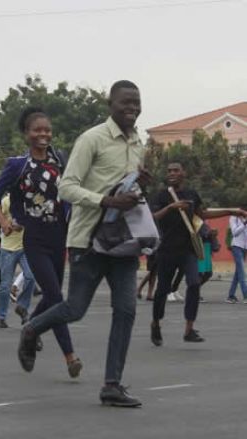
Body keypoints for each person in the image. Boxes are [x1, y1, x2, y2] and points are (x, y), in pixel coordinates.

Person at [17, 81, 147, 407]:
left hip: (123, 242)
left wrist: (137, 189)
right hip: (87, 240)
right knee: (75, 308)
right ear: (110, 104)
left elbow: (126, 191)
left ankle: (112, 385)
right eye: (125, 103)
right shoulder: (91, 139)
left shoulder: (138, 143)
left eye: (137, 103)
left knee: (127, 311)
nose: (132, 108)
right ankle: (31, 329)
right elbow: (67, 188)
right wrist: (107, 201)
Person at [0, 108, 81, 377]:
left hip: (60, 236)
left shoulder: (60, 159)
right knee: (55, 297)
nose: (43, 134)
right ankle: (70, 357)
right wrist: (4, 222)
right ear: (26, 134)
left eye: (47, 130)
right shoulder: (17, 165)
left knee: (54, 296)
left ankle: (30, 327)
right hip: (35, 238)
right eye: (37, 130)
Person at [149, 162, 247, 346]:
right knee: (162, 290)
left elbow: (203, 214)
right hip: (167, 250)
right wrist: (171, 207)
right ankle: (155, 323)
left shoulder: (192, 194)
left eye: (176, 170)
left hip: (188, 249)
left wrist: (231, 211)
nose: (172, 173)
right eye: (169, 170)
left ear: (183, 173)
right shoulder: (161, 196)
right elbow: (153, 217)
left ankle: (189, 329)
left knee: (194, 283)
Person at [0, 194, 36, 328]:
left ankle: (22, 307)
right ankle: (1, 316)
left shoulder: (30, 200)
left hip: (24, 247)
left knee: (31, 277)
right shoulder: (5, 200)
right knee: (5, 286)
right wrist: (6, 225)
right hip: (8, 249)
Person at [226, 214, 247, 303]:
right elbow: (235, 232)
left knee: (238, 273)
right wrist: (244, 223)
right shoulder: (233, 218)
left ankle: (231, 296)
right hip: (236, 246)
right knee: (241, 272)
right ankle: (246, 295)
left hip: (245, 248)